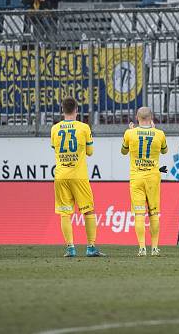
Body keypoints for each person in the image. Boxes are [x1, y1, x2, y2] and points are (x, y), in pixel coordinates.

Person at [51, 96, 105, 258]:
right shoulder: (84, 128)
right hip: (78, 176)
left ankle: (70, 248)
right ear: (77, 110)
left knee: (65, 213)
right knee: (89, 210)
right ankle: (90, 247)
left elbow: (55, 148)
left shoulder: (55, 129)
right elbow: (90, 152)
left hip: (61, 176)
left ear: (62, 110)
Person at [122, 107, 168, 257]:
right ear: (152, 117)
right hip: (153, 177)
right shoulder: (159, 134)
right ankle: (154, 248)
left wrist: (130, 131)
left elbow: (123, 151)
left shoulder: (130, 133)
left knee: (139, 214)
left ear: (137, 117)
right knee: (154, 213)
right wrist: (154, 130)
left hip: (136, 178)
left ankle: (142, 248)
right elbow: (164, 151)